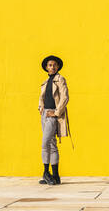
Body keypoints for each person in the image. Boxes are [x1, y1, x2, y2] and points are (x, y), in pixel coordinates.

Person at [38, 55, 70, 185]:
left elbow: (65, 98)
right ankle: (55, 176)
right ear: (46, 68)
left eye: (54, 65)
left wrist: (56, 113)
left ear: (58, 67)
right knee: (51, 144)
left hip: (52, 114)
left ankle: (46, 173)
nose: (52, 67)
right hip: (44, 114)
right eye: (50, 65)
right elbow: (42, 97)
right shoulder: (46, 82)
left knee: (45, 143)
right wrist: (40, 107)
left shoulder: (60, 79)